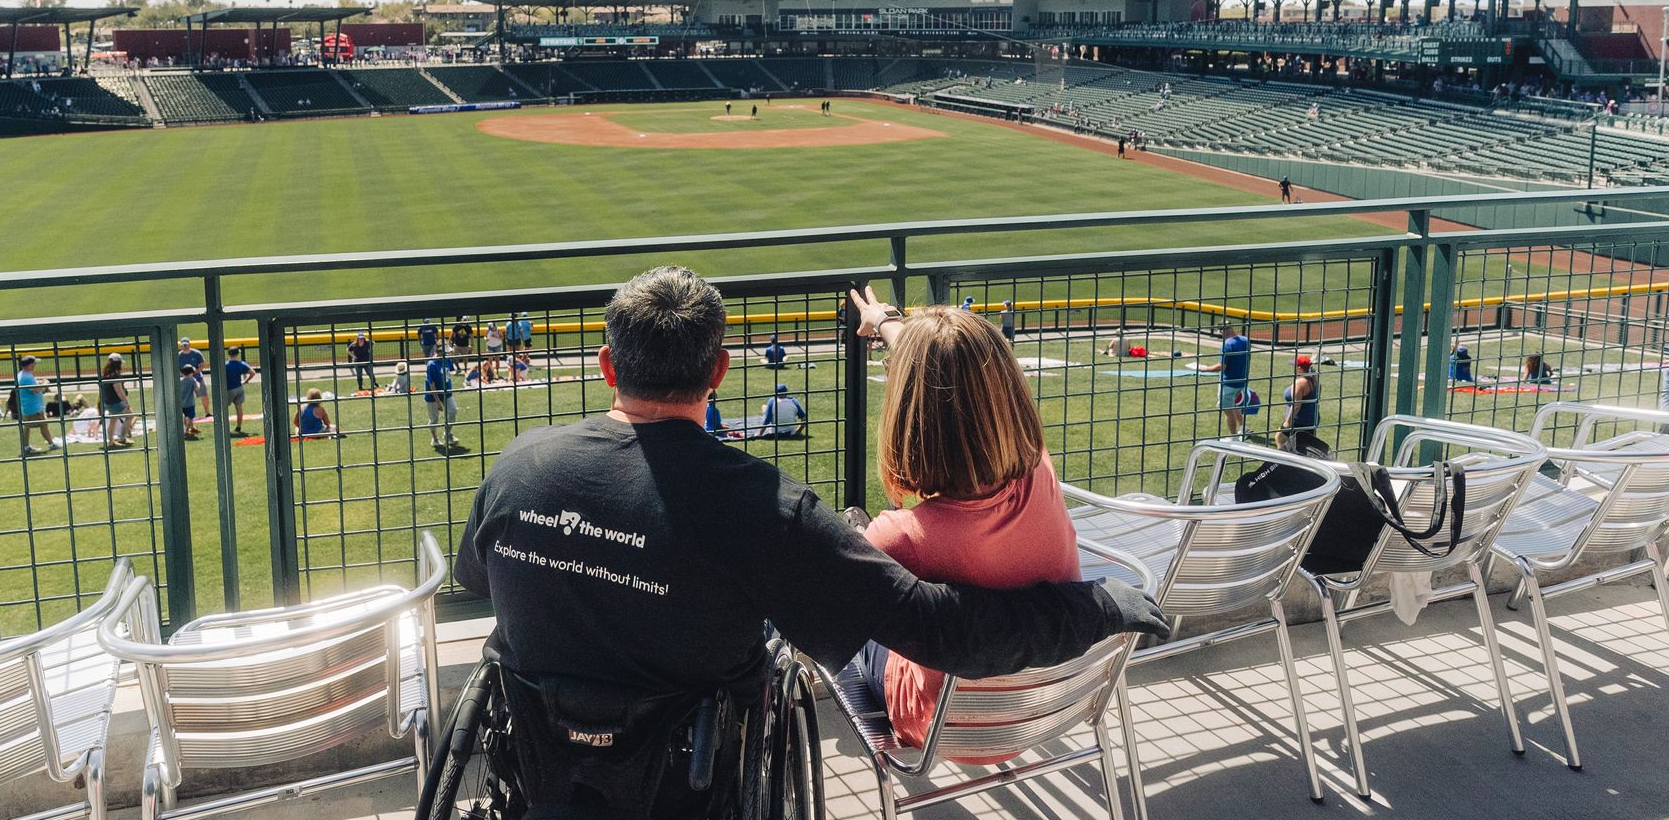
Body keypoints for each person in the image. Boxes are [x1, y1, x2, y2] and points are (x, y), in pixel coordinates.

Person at [455, 268, 1167, 708]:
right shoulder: (767, 509)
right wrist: (1096, 605)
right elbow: (944, 629)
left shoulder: (519, 466)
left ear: (608, 366)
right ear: (720, 371)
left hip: (539, 749)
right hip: (686, 759)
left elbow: (473, 577)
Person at [849, 296, 1084, 763]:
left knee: (852, 590)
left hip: (944, 727)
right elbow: (958, 381)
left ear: (908, 416)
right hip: (1051, 702)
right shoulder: (1039, 468)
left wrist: (853, 545)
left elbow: (830, 607)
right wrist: (889, 324)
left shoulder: (897, 538)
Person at [1198, 323, 1252, 437]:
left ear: (1223, 331)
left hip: (1228, 383)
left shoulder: (1226, 345)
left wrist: (1205, 369)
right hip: (1242, 381)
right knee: (1233, 404)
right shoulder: (1245, 340)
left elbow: (1221, 367)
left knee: (1227, 410)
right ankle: (1243, 427)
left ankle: (1233, 436)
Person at [14, 355, 58, 456]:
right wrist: (45, 383)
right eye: (34, 364)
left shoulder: (21, 375)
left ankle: (26, 447)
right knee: (43, 425)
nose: (35, 365)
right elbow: (36, 390)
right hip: (33, 407)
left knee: (27, 426)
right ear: (30, 365)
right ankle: (51, 444)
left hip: (26, 406)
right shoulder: (27, 377)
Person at [1279, 353, 1322, 454]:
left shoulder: (1300, 383)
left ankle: (1284, 460)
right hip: (1311, 419)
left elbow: (1296, 406)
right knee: (1304, 447)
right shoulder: (1313, 379)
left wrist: (1288, 422)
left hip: (1299, 421)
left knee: (1280, 438)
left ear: (1299, 368)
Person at [423, 348, 459, 450]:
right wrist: (438, 402)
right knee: (434, 418)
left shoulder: (447, 359)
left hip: (446, 392)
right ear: (438, 352)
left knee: (453, 411)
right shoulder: (431, 364)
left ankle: (447, 433)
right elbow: (432, 384)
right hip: (433, 395)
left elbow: (450, 370)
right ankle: (434, 438)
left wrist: (452, 353)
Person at [99, 352, 136, 448]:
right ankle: (122, 438)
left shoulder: (105, 375)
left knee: (113, 421)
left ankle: (111, 441)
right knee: (130, 416)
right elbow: (119, 391)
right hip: (116, 403)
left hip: (108, 403)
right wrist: (127, 403)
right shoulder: (115, 375)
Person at [224, 347, 254, 434]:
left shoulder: (225, 365)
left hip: (228, 389)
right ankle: (238, 427)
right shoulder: (241, 364)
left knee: (224, 409)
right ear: (237, 354)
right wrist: (245, 381)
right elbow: (252, 372)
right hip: (239, 388)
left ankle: (225, 427)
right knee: (239, 408)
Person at [178, 359, 206, 440]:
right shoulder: (192, 380)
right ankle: (187, 431)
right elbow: (197, 390)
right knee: (190, 416)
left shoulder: (180, 381)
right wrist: (199, 392)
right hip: (190, 403)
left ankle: (192, 428)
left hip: (181, 402)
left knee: (185, 415)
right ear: (191, 372)